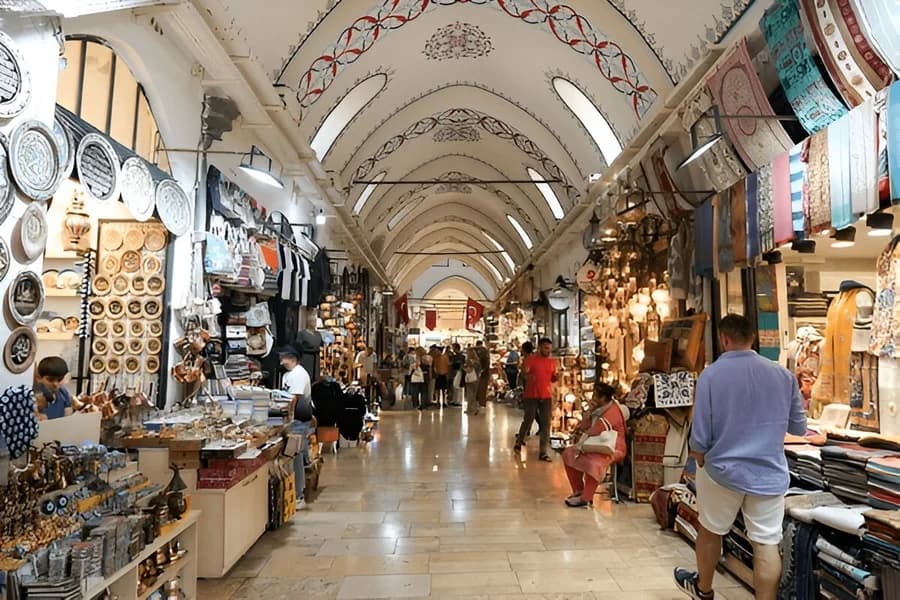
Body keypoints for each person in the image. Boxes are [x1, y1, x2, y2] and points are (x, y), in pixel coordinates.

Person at [674, 314, 807, 600]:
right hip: (768, 473)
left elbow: (700, 434)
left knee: (711, 530)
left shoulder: (711, 375)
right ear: (753, 338)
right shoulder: (783, 376)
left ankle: (704, 590)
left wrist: (697, 455)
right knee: (766, 542)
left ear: (724, 339)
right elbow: (799, 427)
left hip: (722, 471)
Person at [561, 382, 627, 507]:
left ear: (603, 398)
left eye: (596, 396)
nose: (593, 398)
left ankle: (586, 497)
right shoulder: (597, 409)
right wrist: (589, 412)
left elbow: (595, 430)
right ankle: (579, 491)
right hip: (594, 443)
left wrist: (583, 436)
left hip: (612, 447)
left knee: (594, 463)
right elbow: (585, 426)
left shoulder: (613, 411)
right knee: (568, 453)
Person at [280, 347, 313, 509]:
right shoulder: (288, 374)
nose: (281, 360)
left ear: (292, 358)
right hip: (295, 419)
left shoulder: (298, 374)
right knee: (296, 454)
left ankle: (299, 495)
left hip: (298, 419)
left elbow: (295, 398)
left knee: (296, 454)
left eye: (283, 357)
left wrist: (288, 418)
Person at [515, 337, 557, 462]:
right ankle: (519, 440)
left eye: (549, 349)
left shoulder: (552, 362)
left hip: (546, 396)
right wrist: (528, 377)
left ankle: (543, 451)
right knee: (528, 419)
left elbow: (553, 378)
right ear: (539, 347)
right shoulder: (531, 360)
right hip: (531, 395)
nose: (548, 351)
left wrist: (556, 377)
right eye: (546, 348)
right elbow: (523, 373)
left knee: (545, 424)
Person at [463, 348, 482, 415]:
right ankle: (474, 408)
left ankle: (471, 409)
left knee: (469, 394)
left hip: (469, 379)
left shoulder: (469, 361)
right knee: (474, 394)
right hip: (476, 378)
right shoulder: (477, 361)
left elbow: (466, 369)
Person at [475, 341, 491, 408]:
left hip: (483, 372)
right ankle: (481, 402)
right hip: (485, 372)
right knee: (482, 388)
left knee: (481, 388)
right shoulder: (485, 352)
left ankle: (481, 402)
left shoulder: (481, 353)